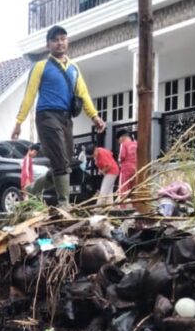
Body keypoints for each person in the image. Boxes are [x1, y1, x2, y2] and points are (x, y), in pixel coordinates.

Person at [12, 25, 105, 206]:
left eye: (63, 38)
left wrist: (94, 116)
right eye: (55, 40)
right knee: (61, 161)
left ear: (67, 41)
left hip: (65, 118)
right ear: (48, 45)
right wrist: (19, 122)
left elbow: (83, 94)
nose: (60, 43)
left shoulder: (73, 68)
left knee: (65, 162)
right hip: (46, 116)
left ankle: (32, 189)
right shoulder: (40, 66)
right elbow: (29, 95)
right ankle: (64, 204)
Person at [116, 129, 138, 202]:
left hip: (125, 169)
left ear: (122, 137)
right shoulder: (136, 143)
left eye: (118, 140)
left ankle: (123, 207)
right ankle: (135, 206)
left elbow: (122, 156)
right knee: (134, 189)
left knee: (124, 188)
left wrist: (119, 161)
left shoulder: (123, 144)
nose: (119, 142)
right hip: (135, 169)